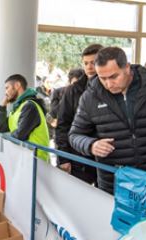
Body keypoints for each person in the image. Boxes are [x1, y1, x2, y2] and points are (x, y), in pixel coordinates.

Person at [69, 46, 146, 193]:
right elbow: (74, 135)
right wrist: (91, 145)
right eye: (102, 78)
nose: (108, 84)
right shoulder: (90, 97)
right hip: (113, 184)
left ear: (127, 68)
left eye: (113, 77)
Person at [55, 44, 103, 185]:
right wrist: (63, 158)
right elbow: (63, 125)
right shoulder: (72, 90)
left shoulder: (113, 89)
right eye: (86, 63)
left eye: (93, 63)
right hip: (78, 159)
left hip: (106, 159)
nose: (89, 67)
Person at [0, 74, 50, 161]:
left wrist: (3, 139)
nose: (5, 92)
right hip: (26, 158)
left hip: (37, 161)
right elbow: (1, 128)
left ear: (17, 85)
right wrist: (3, 106)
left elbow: (19, 135)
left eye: (7, 88)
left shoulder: (30, 106)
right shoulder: (18, 108)